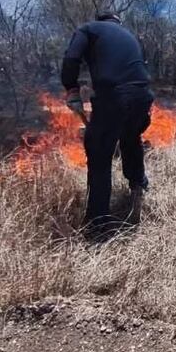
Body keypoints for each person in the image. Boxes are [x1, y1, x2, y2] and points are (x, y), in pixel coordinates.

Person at [61, 12, 154, 235]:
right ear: (116, 22)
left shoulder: (87, 29)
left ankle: (98, 224)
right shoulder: (128, 34)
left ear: (100, 20)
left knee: (99, 155)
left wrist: (71, 89)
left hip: (115, 96)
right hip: (143, 97)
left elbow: (71, 58)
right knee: (130, 137)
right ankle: (138, 185)